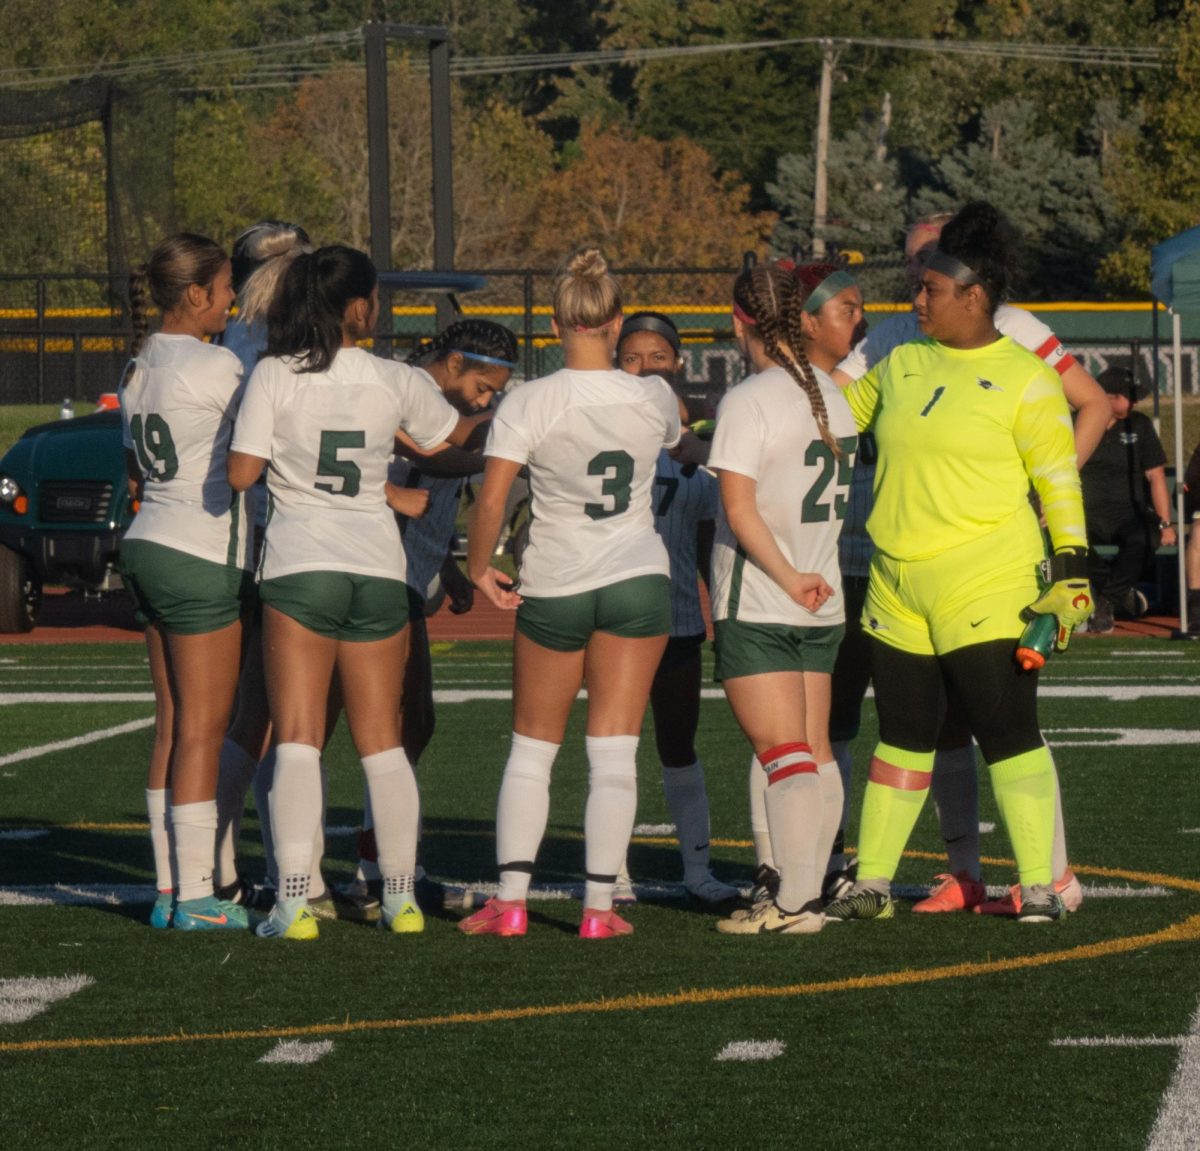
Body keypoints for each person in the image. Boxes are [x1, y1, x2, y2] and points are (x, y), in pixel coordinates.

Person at [824, 201, 1092, 925]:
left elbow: (1058, 479)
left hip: (989, 582)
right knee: (902, 736)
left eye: (930, 291)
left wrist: (1070, 568)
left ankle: (1039, 885)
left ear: (973, 297)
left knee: (1007, 734)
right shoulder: (901, 361)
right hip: (898, 584)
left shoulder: (1025, 378)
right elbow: (834, 417)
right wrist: (752, 409)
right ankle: (873, 883)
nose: (917, 300)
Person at [228, 244, 461, 941]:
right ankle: (400, 898)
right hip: (378, 565)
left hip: (302, 564)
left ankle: (294, 902)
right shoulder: (395, 375)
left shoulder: (273, 373)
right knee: (383, 744)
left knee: (298, 737)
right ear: (362, 306)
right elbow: (445, 441)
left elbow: (242, 474)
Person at [459, 247, 680, 940]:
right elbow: (673, 442)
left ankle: (514, 900)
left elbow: (492, 499)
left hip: (557, 578)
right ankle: (597, 908)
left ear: (556, 323)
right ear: (615, 322)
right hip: (637, 576)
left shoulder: (529, 399)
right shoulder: (653, 395)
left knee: (533, 747)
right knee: (614, 750)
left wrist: (477, 563)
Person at [342, 319, 518, 920]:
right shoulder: (403, 393)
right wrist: (498, 430)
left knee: (407, 727)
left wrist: (445, 558)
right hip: (370, 579)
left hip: (402, 576)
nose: (486, 398)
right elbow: (425, 464)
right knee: (389, 727)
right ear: (449, 364)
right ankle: (379, 873)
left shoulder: (437, 404)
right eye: (483, 386)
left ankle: (377, 865)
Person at [705, 262, 860, 936]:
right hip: (821, 601)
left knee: (784, 753)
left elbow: (739, 511)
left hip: (768, 595)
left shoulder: (751, 398)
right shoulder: (832, 391)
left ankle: (795, 901)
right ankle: (806, 894)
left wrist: (787, 574)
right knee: (816, 750)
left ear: (742, 321)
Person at [119, 232, 253, 931]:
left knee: (172, 725)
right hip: (197, 552)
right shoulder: (217, 365)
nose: (231, 298)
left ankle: (170, 890)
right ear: (195, 292)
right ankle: (198, 895)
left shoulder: (138, 366)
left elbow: (136, 473)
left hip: (144, 544)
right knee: (204, 727)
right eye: (226, 286)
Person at [612, 310, 738, 905]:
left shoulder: (702, 454)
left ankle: (698, 870)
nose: (643, 369)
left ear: (678, 363)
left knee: (678, 745)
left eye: (656, 358)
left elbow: (715, 544)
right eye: (630, 358)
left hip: (680, 618)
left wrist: (728, 617)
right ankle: (609, 872)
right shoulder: (603, 432)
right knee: (614, 745)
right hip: (613, 616)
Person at [210, 220, 315, 910]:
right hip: (270, 542)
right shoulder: (269, 352)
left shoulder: (229, 348)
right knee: (268, 716)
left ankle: (229, 865)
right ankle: (267, 868)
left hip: (245, 539)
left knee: (260, 717)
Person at [1079, 365, 1176, 634]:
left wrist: (1166, 522)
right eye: (1128, 396)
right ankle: (1120, 591)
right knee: (1064, 540)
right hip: (1084, 513)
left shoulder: (1140, 425)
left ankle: (1107, 601)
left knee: (1146, 536)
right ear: (1107, 397)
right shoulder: (1076, 422)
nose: (1134, 402)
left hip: (1129, 514)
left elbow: (1156, 477)